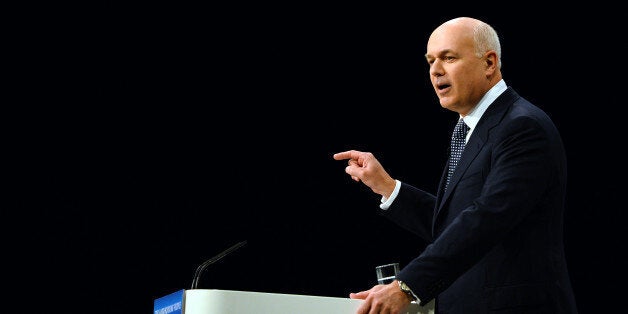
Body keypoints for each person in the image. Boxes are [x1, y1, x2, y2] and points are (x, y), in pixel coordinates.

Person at [333, 17, 578, 314]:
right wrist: (387, 186)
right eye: (430, 61)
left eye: (448, 58)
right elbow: (456, 221)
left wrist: (406, 286)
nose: (435, 70)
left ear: (489, 63)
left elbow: (486, 219)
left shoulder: (523, 127)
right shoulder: (470, 128)